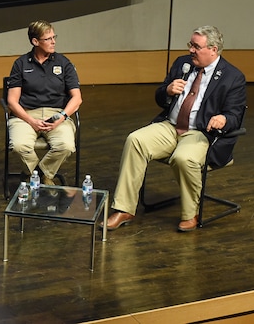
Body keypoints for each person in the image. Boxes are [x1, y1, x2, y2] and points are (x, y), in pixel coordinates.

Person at [104, 25, 246, 232]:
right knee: (135, 140)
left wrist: (223, 119)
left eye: (196, 46)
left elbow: (235, 115)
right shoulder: (183, 63)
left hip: (200, 132)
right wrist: (168, 91)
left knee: (183, 158)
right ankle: (124, 208)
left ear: (213, 49)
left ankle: (191, 214)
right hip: (170, 126)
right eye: (190, 45)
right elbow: (160, 97)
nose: (191, 50)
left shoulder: (232, 77)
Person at [6, 20, 82, 184]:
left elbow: (77, 98)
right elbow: (12, 101)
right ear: (35, 41)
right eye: (48, 39)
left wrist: (61, 117)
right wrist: (31, 121)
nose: (53, 41)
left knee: (66, 146)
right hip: (25, 115)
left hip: (56, 114)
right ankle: (40, 177)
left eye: (54, 37)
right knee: (19, 146)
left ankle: (40, 176)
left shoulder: (64, 63)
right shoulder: (21, 64)